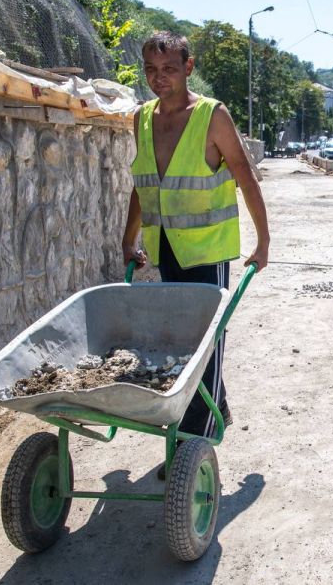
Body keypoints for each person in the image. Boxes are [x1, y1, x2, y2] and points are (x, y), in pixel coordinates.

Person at [121, 31, 270, 450]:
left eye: (169, 69)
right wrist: (128, 238)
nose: (159, 78)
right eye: (151, 70)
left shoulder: (212, 116)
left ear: (188, 68)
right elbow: (142, 184)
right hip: (165, 246)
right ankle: (215, 403)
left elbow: (245, 175)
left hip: (206, 250)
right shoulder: (142, 118)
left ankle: (194, 443)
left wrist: (263, 241)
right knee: (182, 340)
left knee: (206, 341)